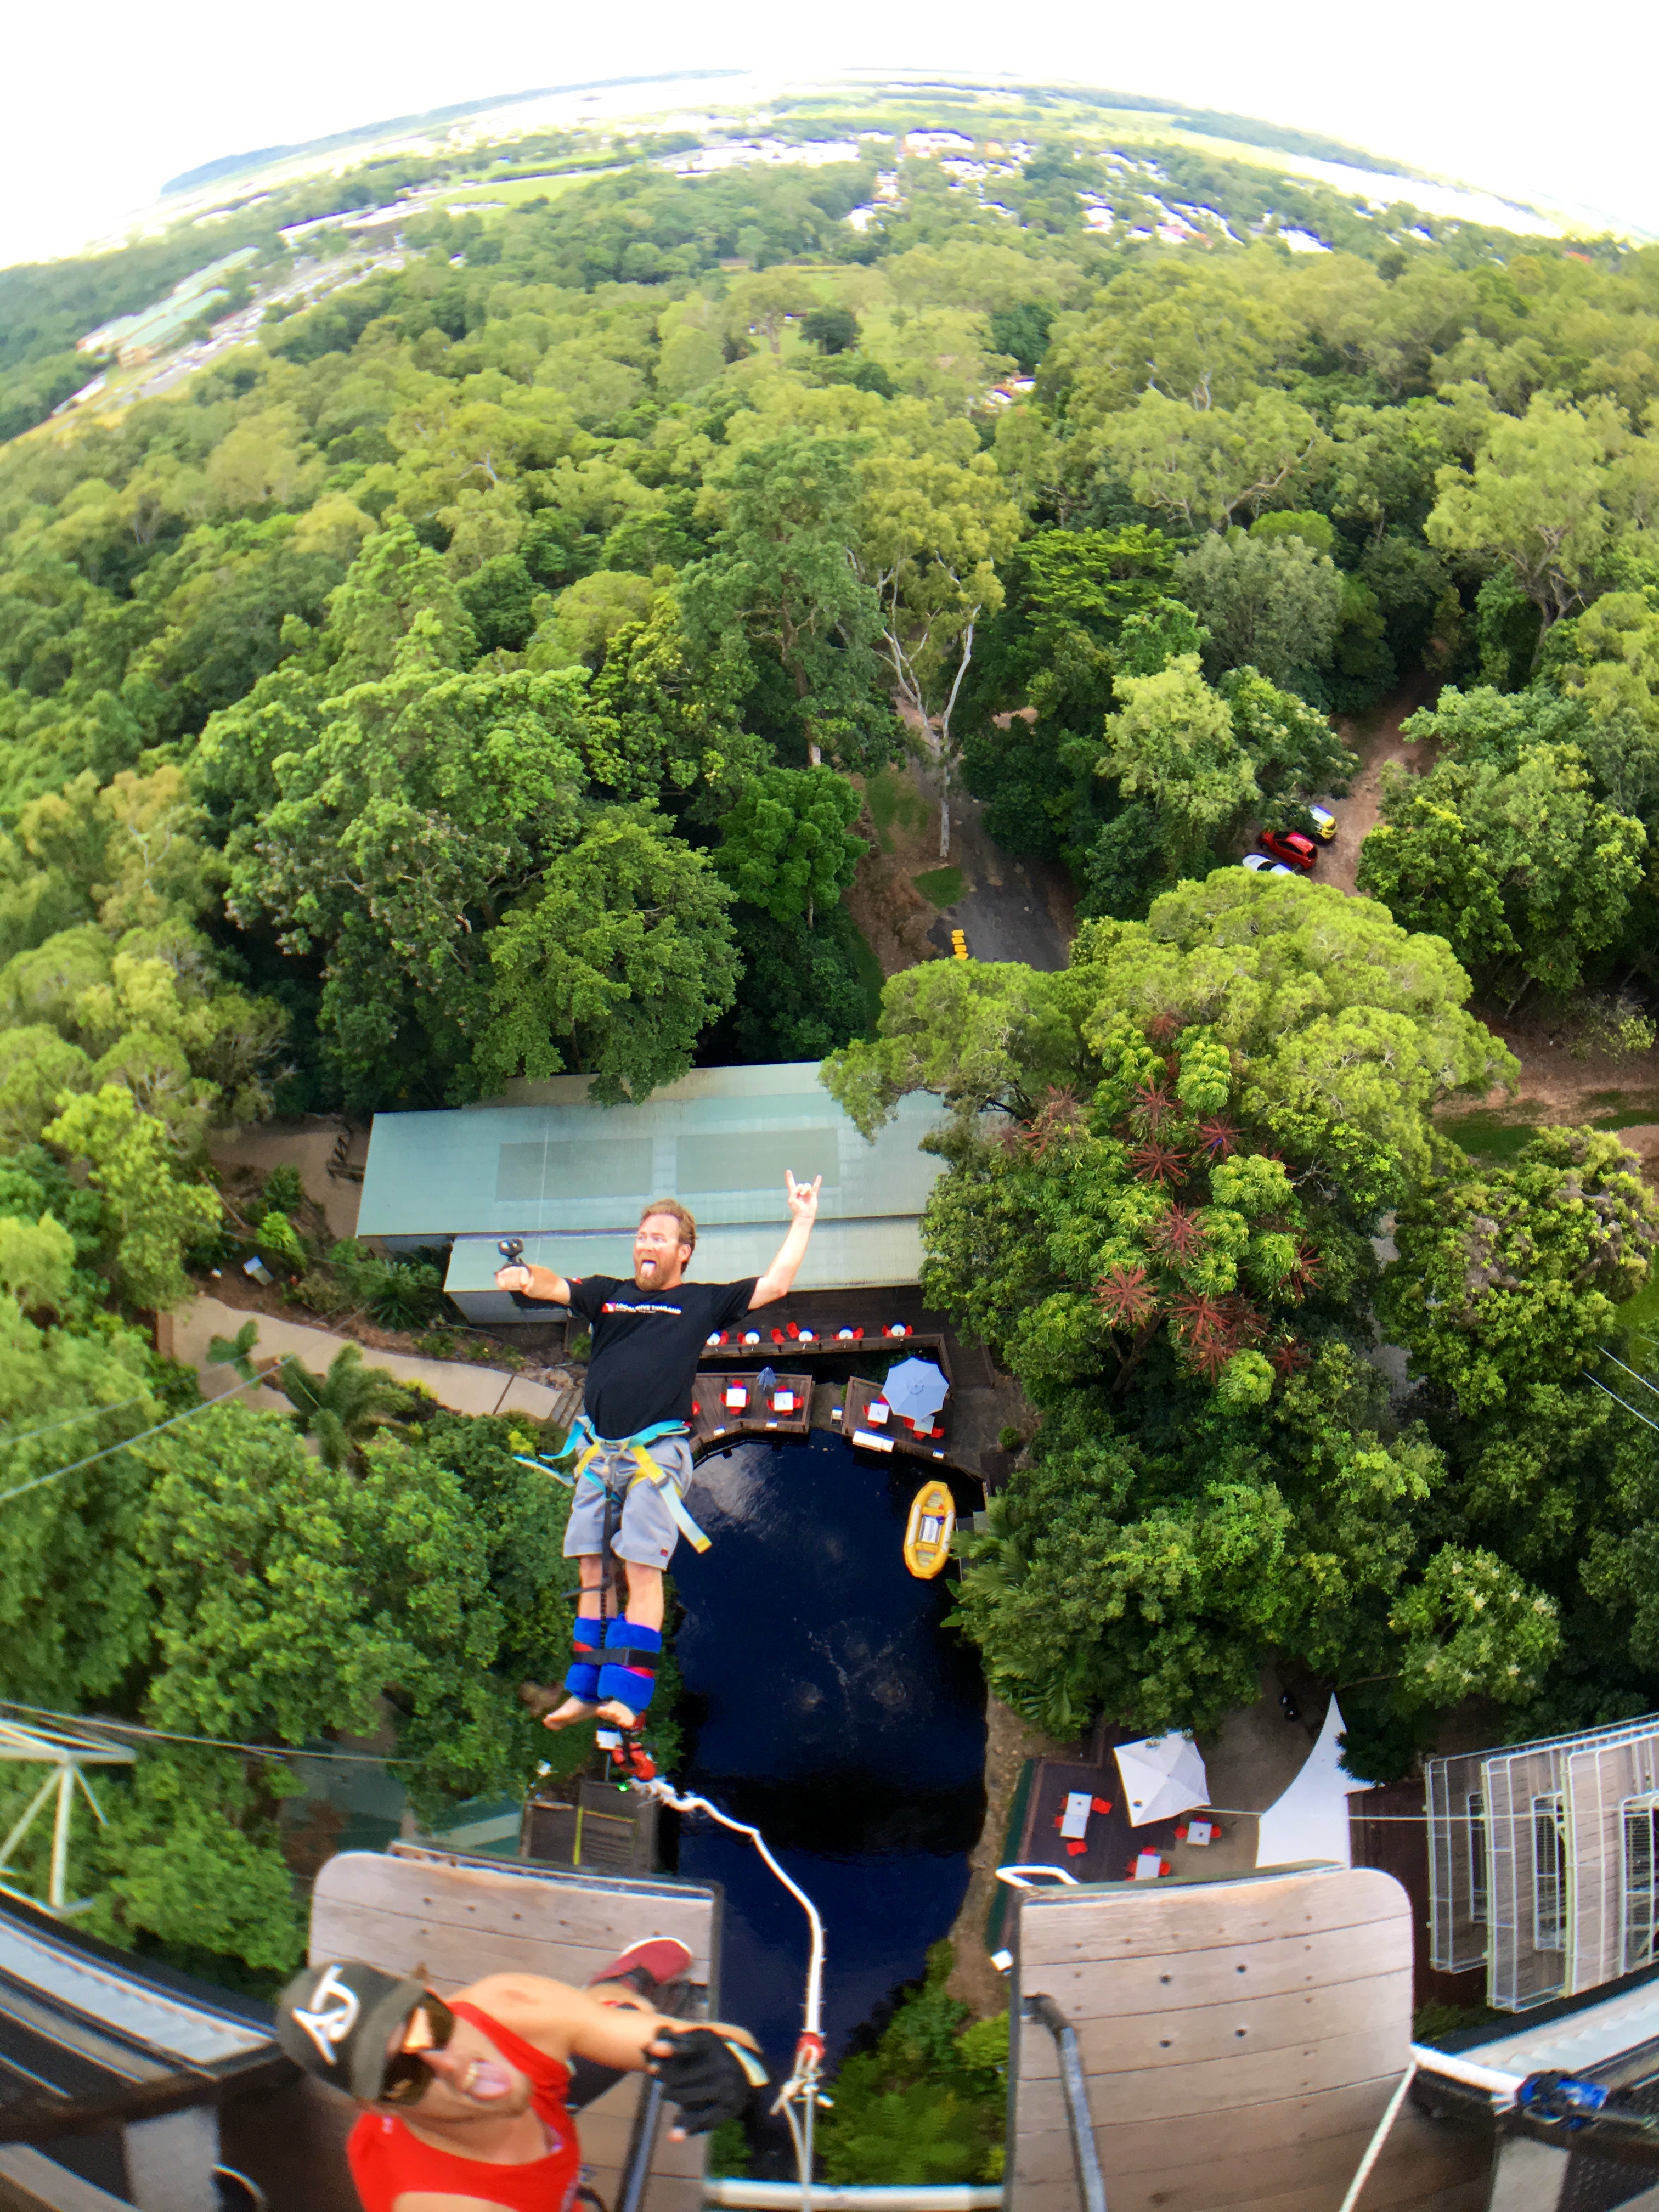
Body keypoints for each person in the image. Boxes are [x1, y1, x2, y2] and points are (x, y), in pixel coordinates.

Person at [495, 1175, 821, 1742]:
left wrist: (803, 1219)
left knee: (640, 1567)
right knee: (592, 1570)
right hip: (600, 1453)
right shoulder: (608, 1292)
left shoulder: (700, 1302)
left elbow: (776, 1283)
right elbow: (555, 1287)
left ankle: (628, 1699)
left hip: (655, 1453)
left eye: (658, 1239)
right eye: (642, 1236)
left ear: (683, 1252)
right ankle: (583, 1690)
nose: (645, 1245)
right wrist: (525, 1276)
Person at [276, 1939, 768, 2212]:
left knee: (613, 2018)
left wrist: (726, 2063)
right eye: (403, 2073)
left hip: (537, 2091)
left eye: (432, 2024)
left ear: (436, 1995)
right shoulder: (445, 2205)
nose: (451, 2064)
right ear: (374, 2106)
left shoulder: (507, 2008)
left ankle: (620, 1986)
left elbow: (726, 2041)